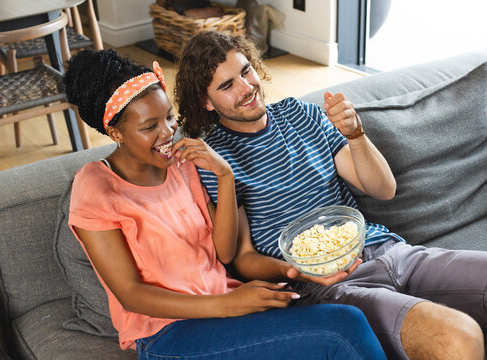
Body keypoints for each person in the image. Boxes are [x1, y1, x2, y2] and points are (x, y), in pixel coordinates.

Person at [175, 31, 486, 360]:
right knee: (457, 339)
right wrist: (294, 272)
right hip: (328, 289)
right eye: (226, 86)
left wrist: (356, 134)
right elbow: (241, 258)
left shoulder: (302, 115)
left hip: (390, 252)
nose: (246, 87)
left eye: (246, 71)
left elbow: (383, 188)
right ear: (206, 102)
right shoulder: (215, 159)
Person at [62, 49, 386, 360]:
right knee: (343, 326)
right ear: (115, 132)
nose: (167, 133)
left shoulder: (182, 162)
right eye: (150, 127)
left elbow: (225, 252)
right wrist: (227, 304)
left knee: (342, 318)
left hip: (228, 310)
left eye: (170, 118)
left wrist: (225, 175)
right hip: (169, 333)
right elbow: (130, 294)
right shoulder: (95, 186)